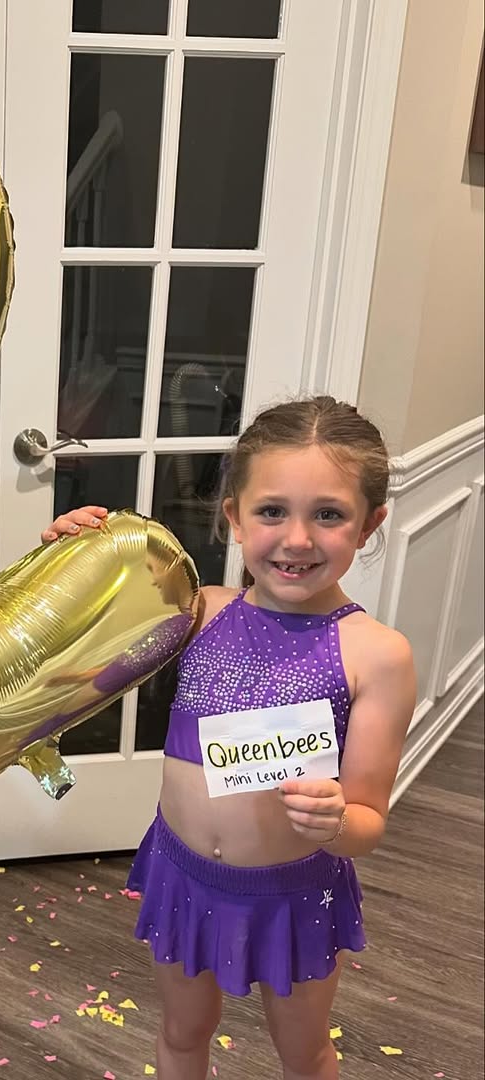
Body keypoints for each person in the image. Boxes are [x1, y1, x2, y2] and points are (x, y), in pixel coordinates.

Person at [43, 397, 416, 1080]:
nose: (297, 539)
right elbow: (78, 637)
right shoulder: (200, 611)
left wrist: (337, 821)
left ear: (369, 525)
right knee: (182, 1032)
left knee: (303, 1051)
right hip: (183, 872)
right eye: (272, 511)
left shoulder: (377, 655)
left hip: (292, 893)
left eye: (328, 515)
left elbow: (367, 821)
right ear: (234, 517)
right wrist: (71, 559)